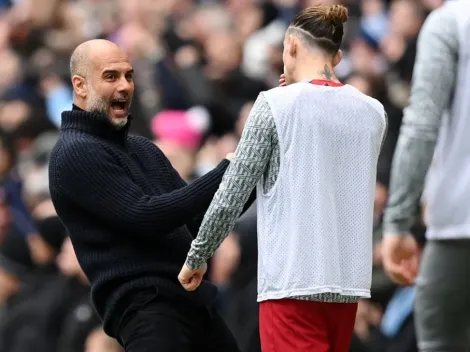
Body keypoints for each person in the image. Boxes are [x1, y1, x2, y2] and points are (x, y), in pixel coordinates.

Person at [178, 5, 388, 352]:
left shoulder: (275, 104)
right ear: (337, 57)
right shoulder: (373, 111)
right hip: (348, 284)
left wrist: (198, 255)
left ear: (290, 45)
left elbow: (232, 192)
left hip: (292, 281)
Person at [49, 39, 254, 352]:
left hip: (194, 303)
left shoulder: (143, 148)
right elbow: (146, 216)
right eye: (110, 76)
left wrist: (251, 178)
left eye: (129, 76)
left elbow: (197, 223)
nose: (124, 86)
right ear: (80, 85)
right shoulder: (75, 152)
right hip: (147, 308)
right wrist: (229, 168)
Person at [381, 1, 470, 351]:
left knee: (439, 342)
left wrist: (397, 223)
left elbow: (420, 127)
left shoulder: (452, 22)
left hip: (461, 224)